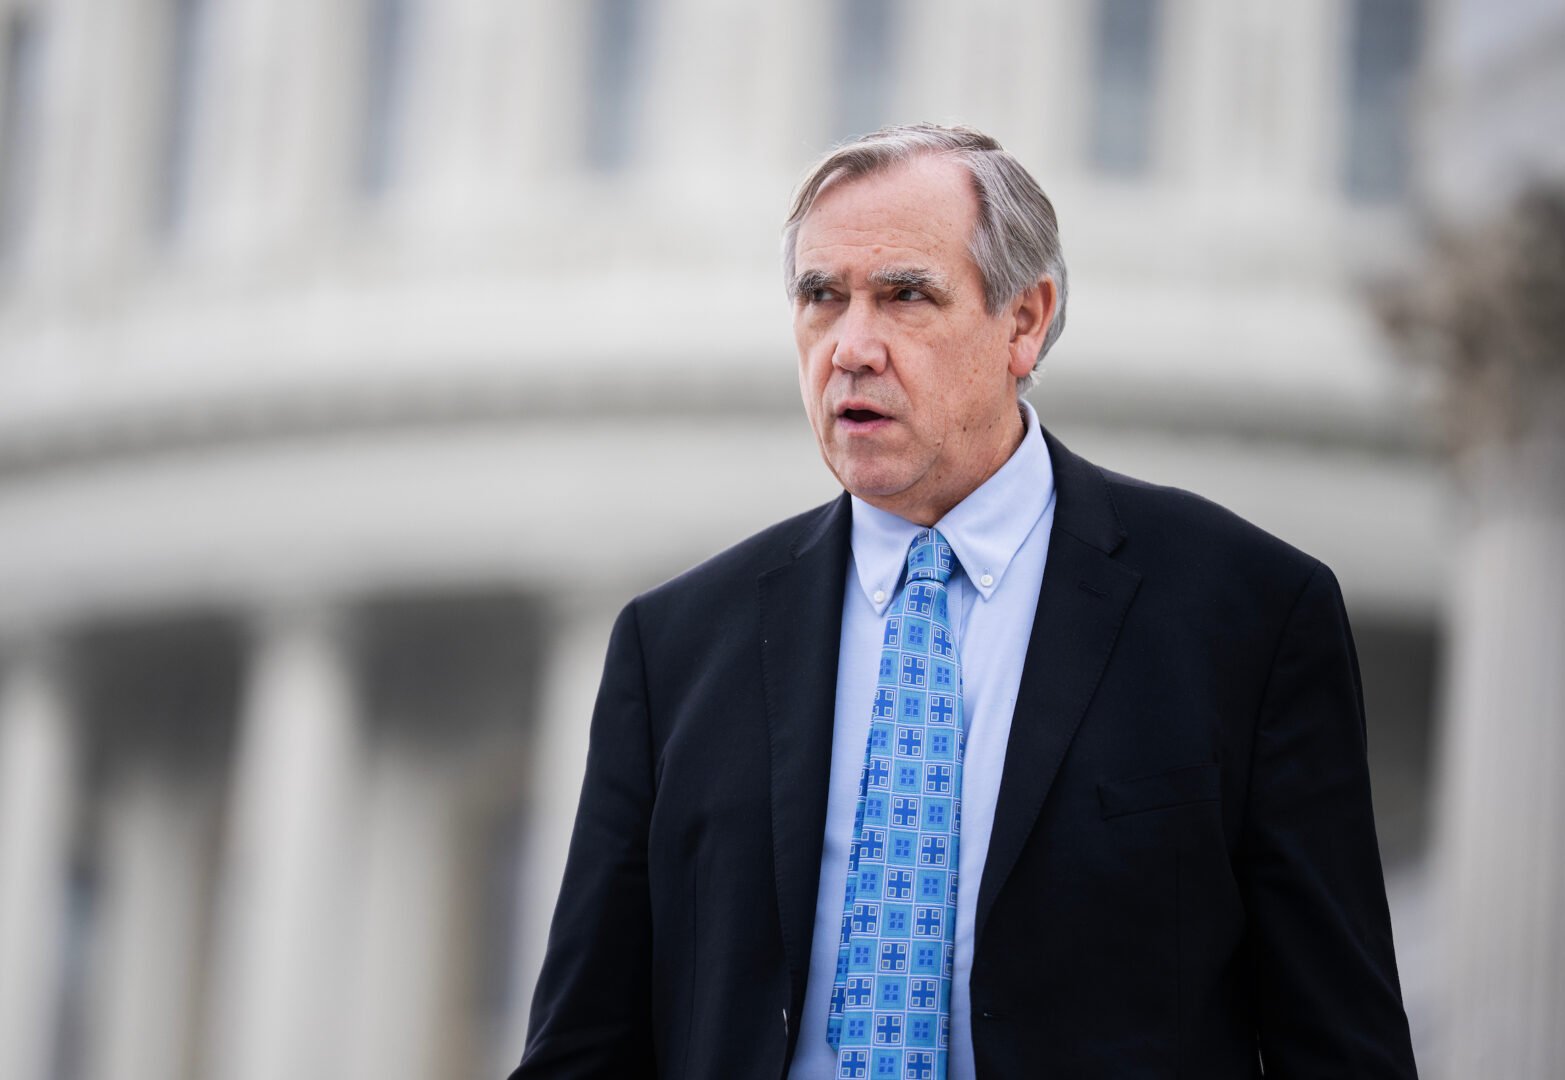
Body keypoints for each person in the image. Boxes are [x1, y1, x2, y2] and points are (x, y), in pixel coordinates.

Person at [510, 124, 1418, 1079]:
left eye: (905, 296)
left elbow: (1340, 1044)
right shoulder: (675, 648)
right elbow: (585, 1045)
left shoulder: (1248, 615)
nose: (851, 348)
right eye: (822, 298)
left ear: (1025, 321)